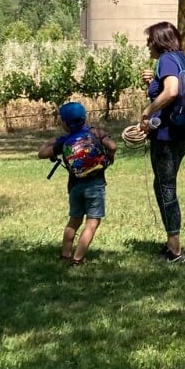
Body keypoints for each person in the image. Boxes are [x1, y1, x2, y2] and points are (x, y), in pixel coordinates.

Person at [138, 20, 185, 264]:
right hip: (184, 133)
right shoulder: (183, 60)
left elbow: (172, 91)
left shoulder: (166, 59)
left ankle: (174, 250)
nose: (147, 44)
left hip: (167, 135)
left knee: (166, 188)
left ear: (159, 41)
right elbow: (172, 89)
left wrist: (147, 110)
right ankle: (171, 243)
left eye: (149, 40)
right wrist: (152, 84)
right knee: (163, 185)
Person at [40, 101, 116, 265]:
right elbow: (113, 145)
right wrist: (110, 158)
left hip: (74, 186)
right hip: (96, 184)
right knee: (92, 222)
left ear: (65, 123)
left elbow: (42, 153)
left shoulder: (64, 140)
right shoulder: (94, 132)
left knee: (74, 220)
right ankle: (78, 258)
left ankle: (66, 254)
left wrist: (54, 140)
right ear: (84, 118)